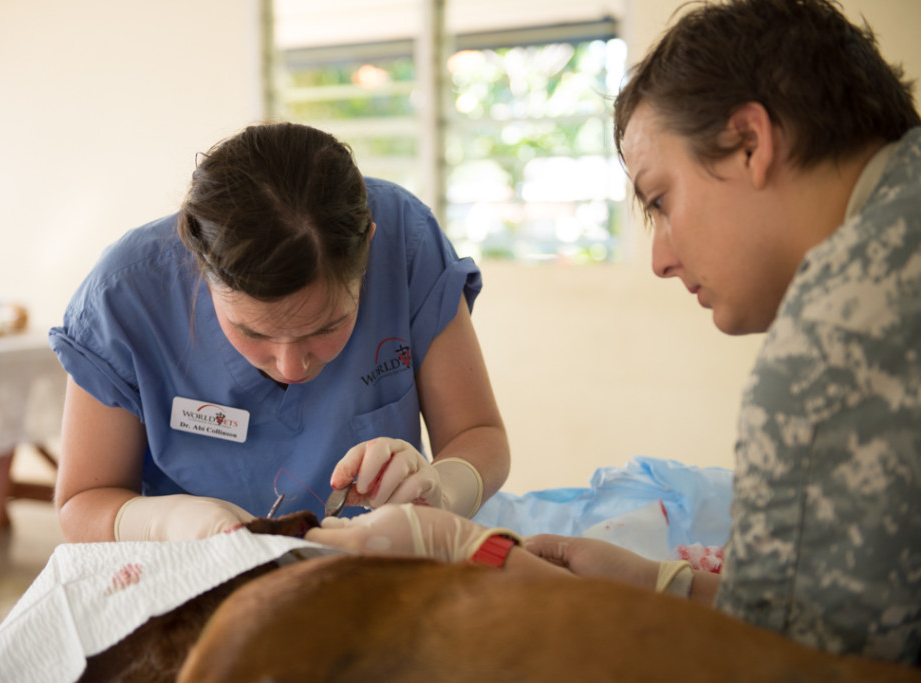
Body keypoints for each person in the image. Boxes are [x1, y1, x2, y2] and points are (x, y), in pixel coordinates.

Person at [306, 0, 921, 667]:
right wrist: (668, 585)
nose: (659, 260)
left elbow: (786, 665)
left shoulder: (841, 334)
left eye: (660, 199)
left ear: (751, 142)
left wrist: (499, 562)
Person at [49, 122, 510, 543]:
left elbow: (479, 433)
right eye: (252, 331)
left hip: (379, 570)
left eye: (327, 327)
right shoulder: (124, 297)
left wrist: (443, 491)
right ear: (196, 266)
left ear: (370, 247)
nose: (292, 367)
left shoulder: (405, 242)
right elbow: (81, 504)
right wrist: (166, 523)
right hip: (197, 582)